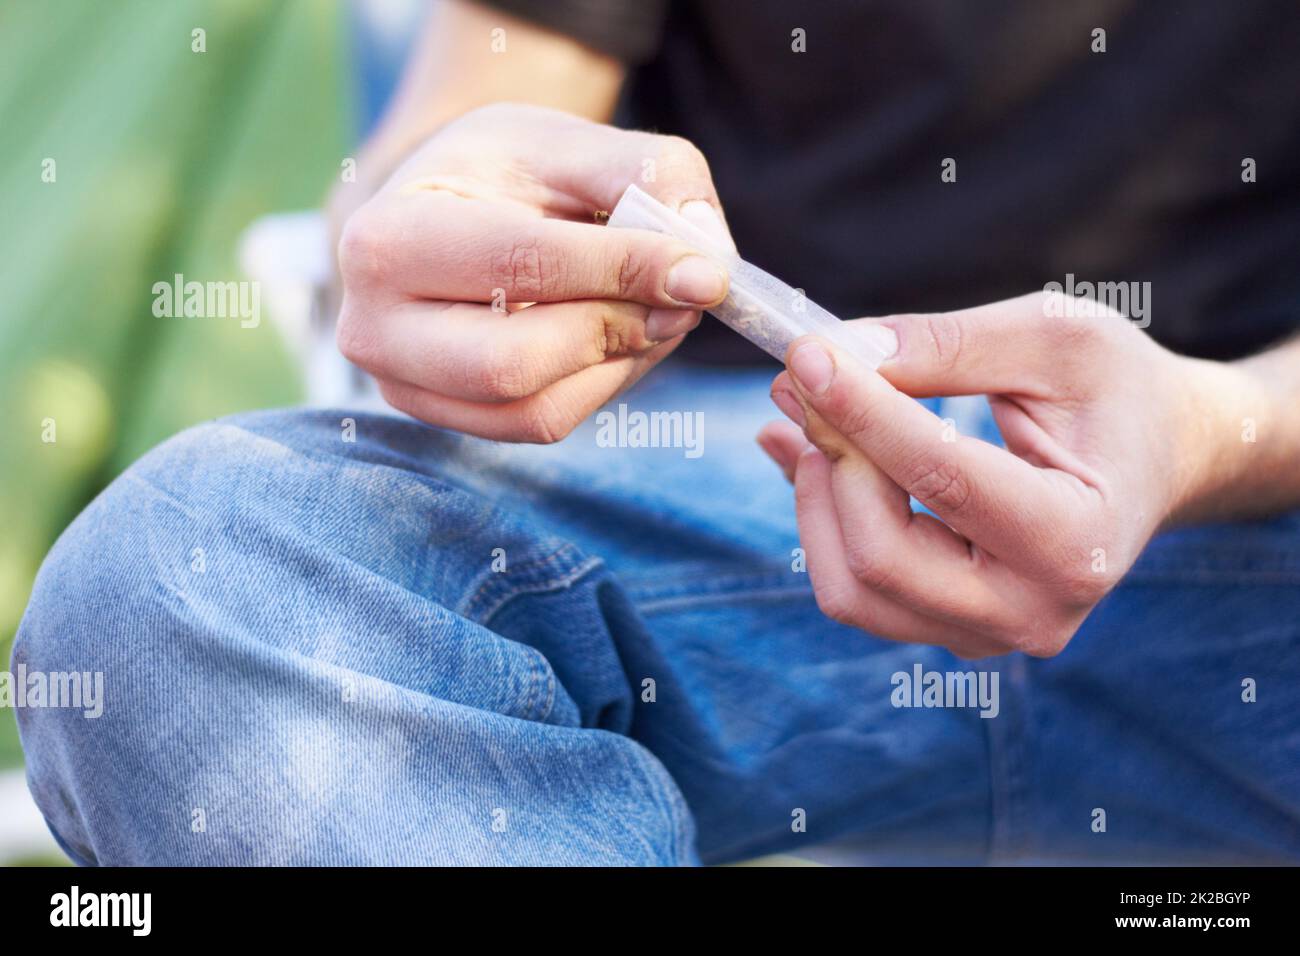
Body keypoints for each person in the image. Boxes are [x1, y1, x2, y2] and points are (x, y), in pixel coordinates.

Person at [14, 0, 1300, 865]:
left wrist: (1222, 427)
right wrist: (430, 214)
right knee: (178, 581)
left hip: (1253, 517)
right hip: (716, 515)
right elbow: (462, 121)